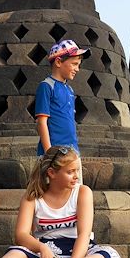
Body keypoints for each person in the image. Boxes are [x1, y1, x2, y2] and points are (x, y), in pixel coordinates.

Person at [0, 146, 122, 258]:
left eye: (77, 171)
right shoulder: (32, 197)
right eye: (70, 172)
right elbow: (21, 235)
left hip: (78, 250)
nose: (76, 176)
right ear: (52, 173)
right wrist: (42, 248)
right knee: (17, 252)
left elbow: (84, 235)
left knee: (108, 254)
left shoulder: (82, 192)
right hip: (45, 250)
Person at [35, 39, 91, 182]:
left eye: (78, 65)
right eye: (74, 64)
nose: (77, 69)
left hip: (73, 152)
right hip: (53, 152)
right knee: (49, 195)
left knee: (74, 194)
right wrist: (49, 154)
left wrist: (75, 153)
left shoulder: (69, 90)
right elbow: (42, 122)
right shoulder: (46, 86)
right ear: (59, 62)